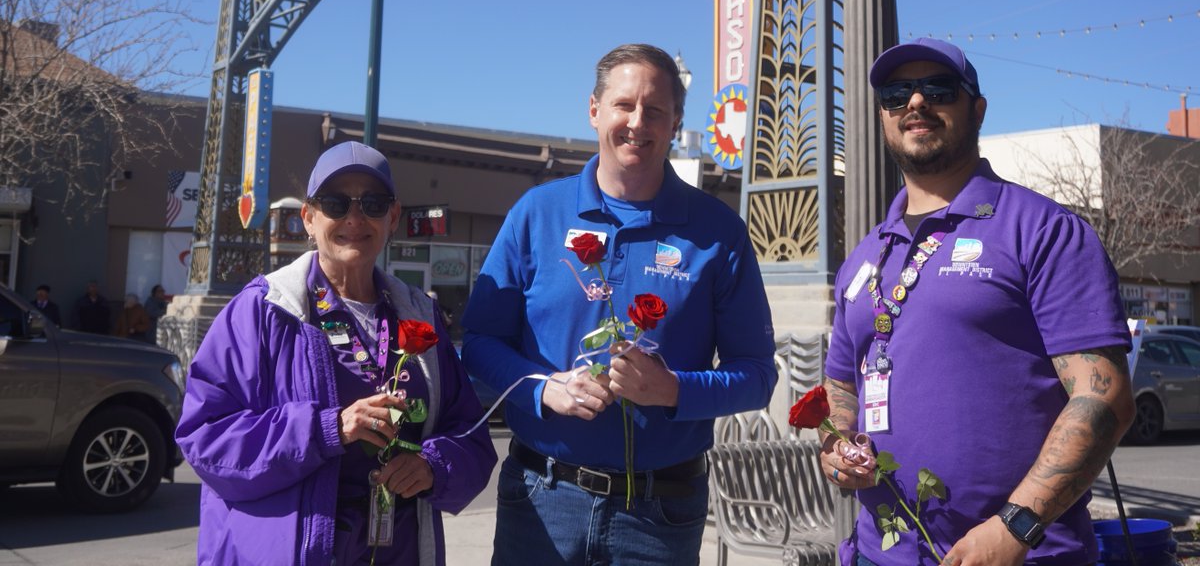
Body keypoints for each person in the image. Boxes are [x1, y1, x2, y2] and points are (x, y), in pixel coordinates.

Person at [821, 38, 1134, 566]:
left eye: (938, 89)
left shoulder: (1044, 231)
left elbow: (1104, 399)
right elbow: (840, 383)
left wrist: (1015, 529)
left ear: (977, 108)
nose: (915, 104)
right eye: (897, 95)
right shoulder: (864, 256)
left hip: (1021, 555)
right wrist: (837, 444)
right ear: (883, 117)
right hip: (882, 553)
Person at [461, 43, 777, 565]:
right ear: (594, 110)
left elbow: (758, 377)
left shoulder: (719, 233)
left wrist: (674, 389)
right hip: (541, 499)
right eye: (623, 105)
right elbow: (478, 343)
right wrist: (543, 389)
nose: (637, 122)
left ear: (675, 121)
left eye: (655, 110)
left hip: (660, 516)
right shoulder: (537, 213)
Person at [177, 141, 496, 565]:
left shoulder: (420, 315)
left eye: (373, 203)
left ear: (393, 217)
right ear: (309, 218)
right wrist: (327, 429)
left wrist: (433, 466)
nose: (355, 218)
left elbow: (471, 434)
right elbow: (206, 437)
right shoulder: (262, 311)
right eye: (336, 203)